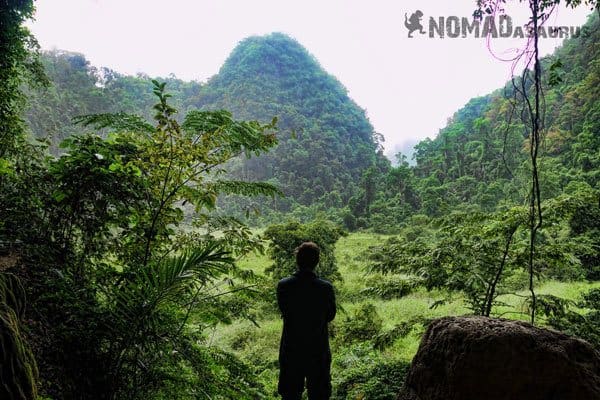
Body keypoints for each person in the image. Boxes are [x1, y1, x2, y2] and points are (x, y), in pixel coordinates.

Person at [276, 241, 336, 400]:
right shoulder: (325, 288)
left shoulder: (284, 286)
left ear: (297, 260)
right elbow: (330, 315)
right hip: (318, 350)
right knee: (319, 394)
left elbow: (284, 310)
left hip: (291, 350)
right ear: (317, 262)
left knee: (290, 394)